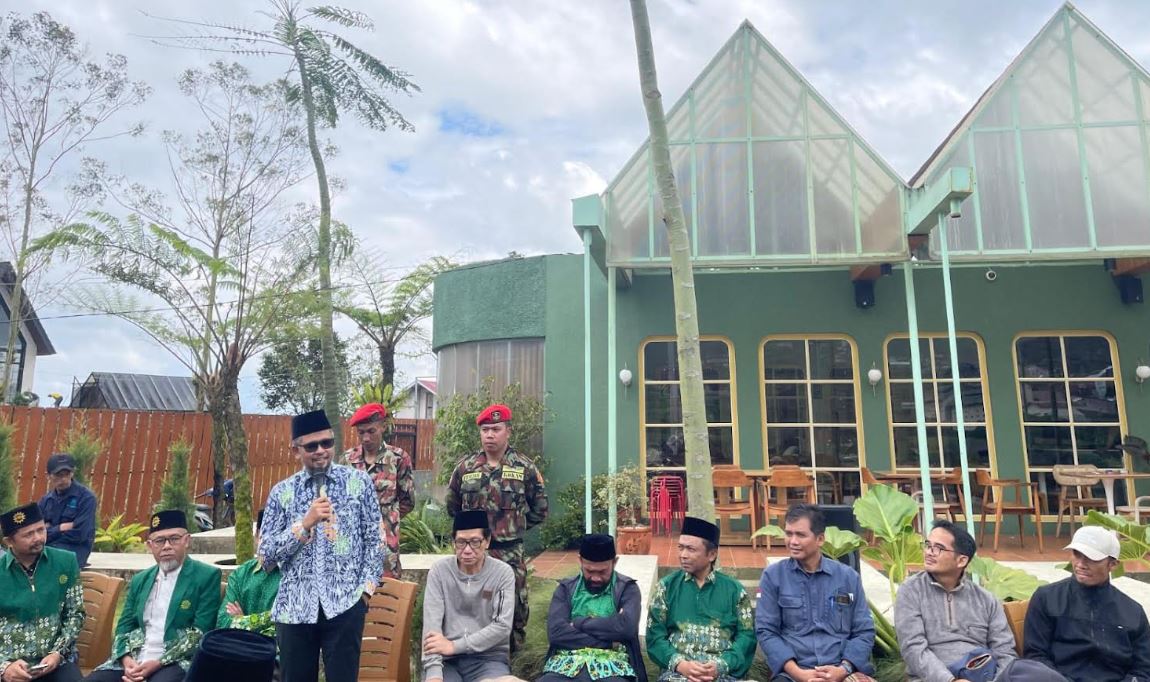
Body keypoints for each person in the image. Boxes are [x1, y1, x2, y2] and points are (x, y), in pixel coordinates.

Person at [259, 409, 384, 682]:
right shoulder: (282, 492)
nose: (320, 451)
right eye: (311, 446)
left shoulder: (358, 483)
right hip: (294, 609)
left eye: (326, 443)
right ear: (296, 450)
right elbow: (265, 557)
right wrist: (303, 525)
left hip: (345, 604)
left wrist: (365, 593)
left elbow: (375, 541)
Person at [445, 403, 548, 653]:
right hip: (474, 554)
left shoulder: (525, 468)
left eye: (496, 429)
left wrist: (513, 526)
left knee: (514, 609)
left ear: (508, 431)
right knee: (470, 607)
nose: (490, 435)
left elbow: (540, 509)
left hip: (509, 553)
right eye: (485, 430)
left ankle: (513, 662)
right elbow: (453, 507)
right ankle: (469, 658)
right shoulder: (465, 468)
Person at [87, 510, 222, 682]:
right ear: (150, 546)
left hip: (177, 660)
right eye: (159, 541)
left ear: (186, 540)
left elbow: (200, 633)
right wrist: (126, 660)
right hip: (136, 656)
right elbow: (123, 628)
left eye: (174, 539)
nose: (167, 546)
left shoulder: (206, 576)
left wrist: (158, 663)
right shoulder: (140, 580)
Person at [756, 504, 875, 682]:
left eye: (800, 535)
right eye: (789, 534)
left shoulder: (848, 578)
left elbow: (864, 631)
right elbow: (766, 631)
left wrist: (843, 669)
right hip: (792, 674)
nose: (793, 541)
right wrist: (798, 673)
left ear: (820, 539)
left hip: (842, 671)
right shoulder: (773, 576)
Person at [1023, 525, 1150, 681]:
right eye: (1077, 554)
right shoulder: (1047, 598)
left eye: (1092, 558)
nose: (1081, 564)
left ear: (1113, 564)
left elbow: (1143, 669)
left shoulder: (1133, 612)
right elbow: (1035, 656)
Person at [894, 519, 1016, 682]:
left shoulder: (986, 600)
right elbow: (913, 648)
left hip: (983, 675)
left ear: (961, 560)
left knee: (1037, 672)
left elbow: (1005, 651)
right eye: (928, 545)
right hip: (933, 679)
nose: (929, 552)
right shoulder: (911, 591)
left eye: (938, 548)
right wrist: (949, 680)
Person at [647, 517, 756, 682]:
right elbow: (655, 637)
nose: (683, 555)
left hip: (723, 675)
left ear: (712, 554)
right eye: (680, 548)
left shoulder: (735, 591)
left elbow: (746, 637)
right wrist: (680, 664)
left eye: (691, 549)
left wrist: (720, 665)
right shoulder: (666, 587)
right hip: (677, 675)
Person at [420, 510, 516, 682]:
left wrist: (454, 646)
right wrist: (434, 673)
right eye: (461, 542)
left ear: (487, 541)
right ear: (453, 542)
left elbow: (502, 627)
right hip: (446, 661)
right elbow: (431, 627)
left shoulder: (502, 573)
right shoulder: (440, 571)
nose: (467, 550)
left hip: (488, 659)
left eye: (475, 542)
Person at [539, 534, 647, 682]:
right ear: (580, 561)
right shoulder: (566, 588)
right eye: (589, 571)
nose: (596, 578)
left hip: (614, 666)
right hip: (565, 664)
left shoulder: (627, 589)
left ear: (614, 562)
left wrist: (578, 623)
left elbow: (626, 628)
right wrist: (610, 641)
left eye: (602, 572)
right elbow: (556, 633)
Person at [0, 503, 85, 682]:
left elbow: (75, 614)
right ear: (9, 542)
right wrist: (4, 667)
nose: (38, 538)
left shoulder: (65, 562)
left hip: (56, 661)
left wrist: (58, 653)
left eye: (41, 530)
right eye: (28, 534)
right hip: (10, 664)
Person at [344, 402, 415, 579]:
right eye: (361, 432)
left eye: (371, 431)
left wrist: (388, 519)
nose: (366, 438)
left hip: (385, 547)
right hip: (354, 546)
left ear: (382, 427)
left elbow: (407, 501)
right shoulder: (347, 460)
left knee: (387, 590)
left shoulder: (398, 459)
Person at [217, 510, 281, 635]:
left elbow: (283, 624)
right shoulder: (241, 574)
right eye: (266, 535)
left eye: (278, 536)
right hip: (238, 645)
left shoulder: (294, 577)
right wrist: (265, 620)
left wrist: (242, 620)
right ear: (257, 536)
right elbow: (223, 621)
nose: (271, 543)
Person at [38, 454, 97, 568]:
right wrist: (60, 528)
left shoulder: (86, 498)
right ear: (48, 476)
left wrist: (49, 530)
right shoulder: (45, 500)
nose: (64, 479)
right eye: (58, 475)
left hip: (75, 550)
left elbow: (81, 534)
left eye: (67, 474)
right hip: (48, 547)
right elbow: (37, 533)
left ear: (73, 473)